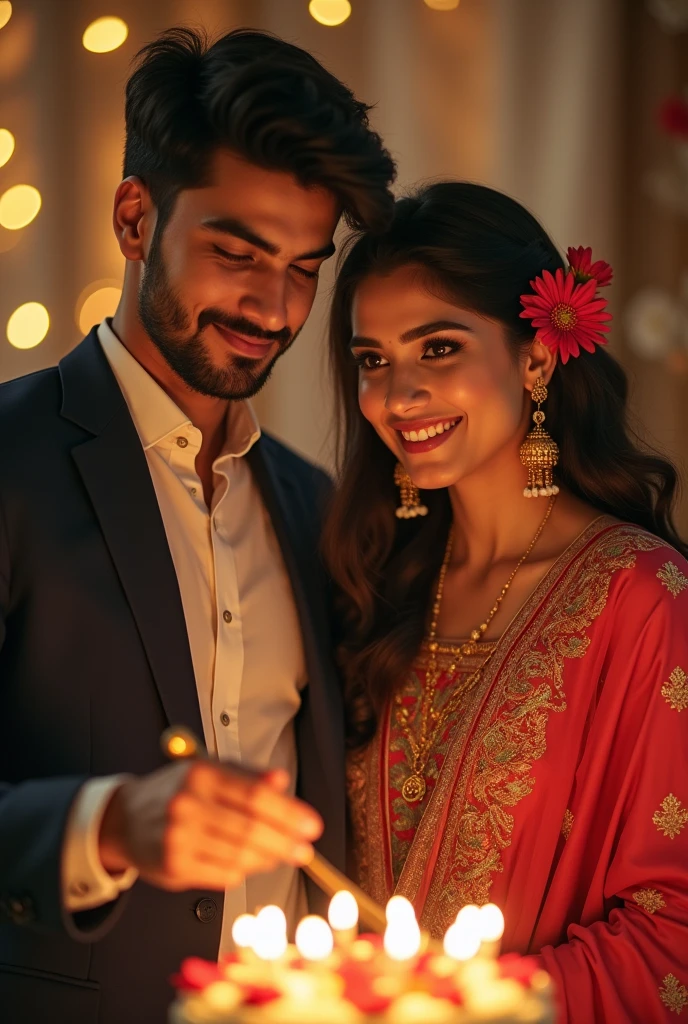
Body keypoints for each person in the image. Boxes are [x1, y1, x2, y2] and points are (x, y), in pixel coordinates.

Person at [0, 26, 395, 1024]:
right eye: (235, 251)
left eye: (305, 267)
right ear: (135, 218)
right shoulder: (8, 456)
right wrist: (106, 826)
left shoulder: (313, 507)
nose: (274, 304)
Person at [324, 181, 688, 1022]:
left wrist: (455, 1005)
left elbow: (672, 930)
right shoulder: (373, 582)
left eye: (438, 348)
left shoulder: (643, 597)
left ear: (536, 357)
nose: (397, 394)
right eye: (372, 359)